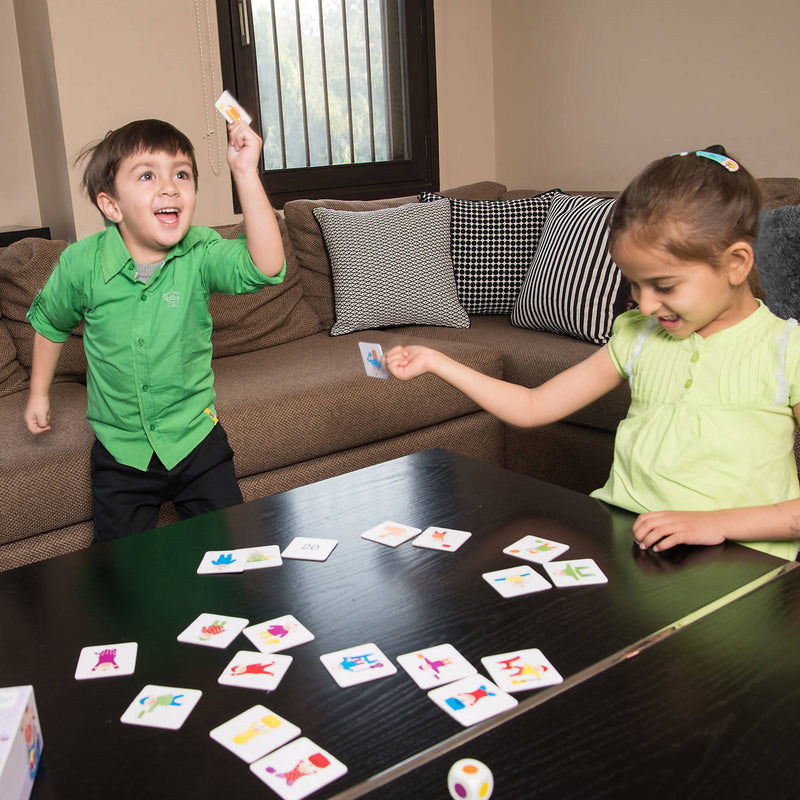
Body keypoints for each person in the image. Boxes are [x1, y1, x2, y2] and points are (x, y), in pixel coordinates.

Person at [386, 148, 800, 561]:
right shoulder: (638, 337)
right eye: (635, 285)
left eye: (664, 286)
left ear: (736, 264)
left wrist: (716, 523)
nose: (648, 305)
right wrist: (436, 360)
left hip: (743, 564)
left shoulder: (787, 350)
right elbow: (533, 405)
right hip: (632, 551)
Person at [24, 118, 285, 542]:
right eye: (148, 175)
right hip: (120, 451)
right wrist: (38, 393)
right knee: (122, 573)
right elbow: (51, 323)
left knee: (236, 552)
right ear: (112, 206)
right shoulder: (80, 263)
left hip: (197, 440)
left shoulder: (200, 252)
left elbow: (267, 265)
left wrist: (245, 173)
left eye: (181, 174)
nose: (169, 187)